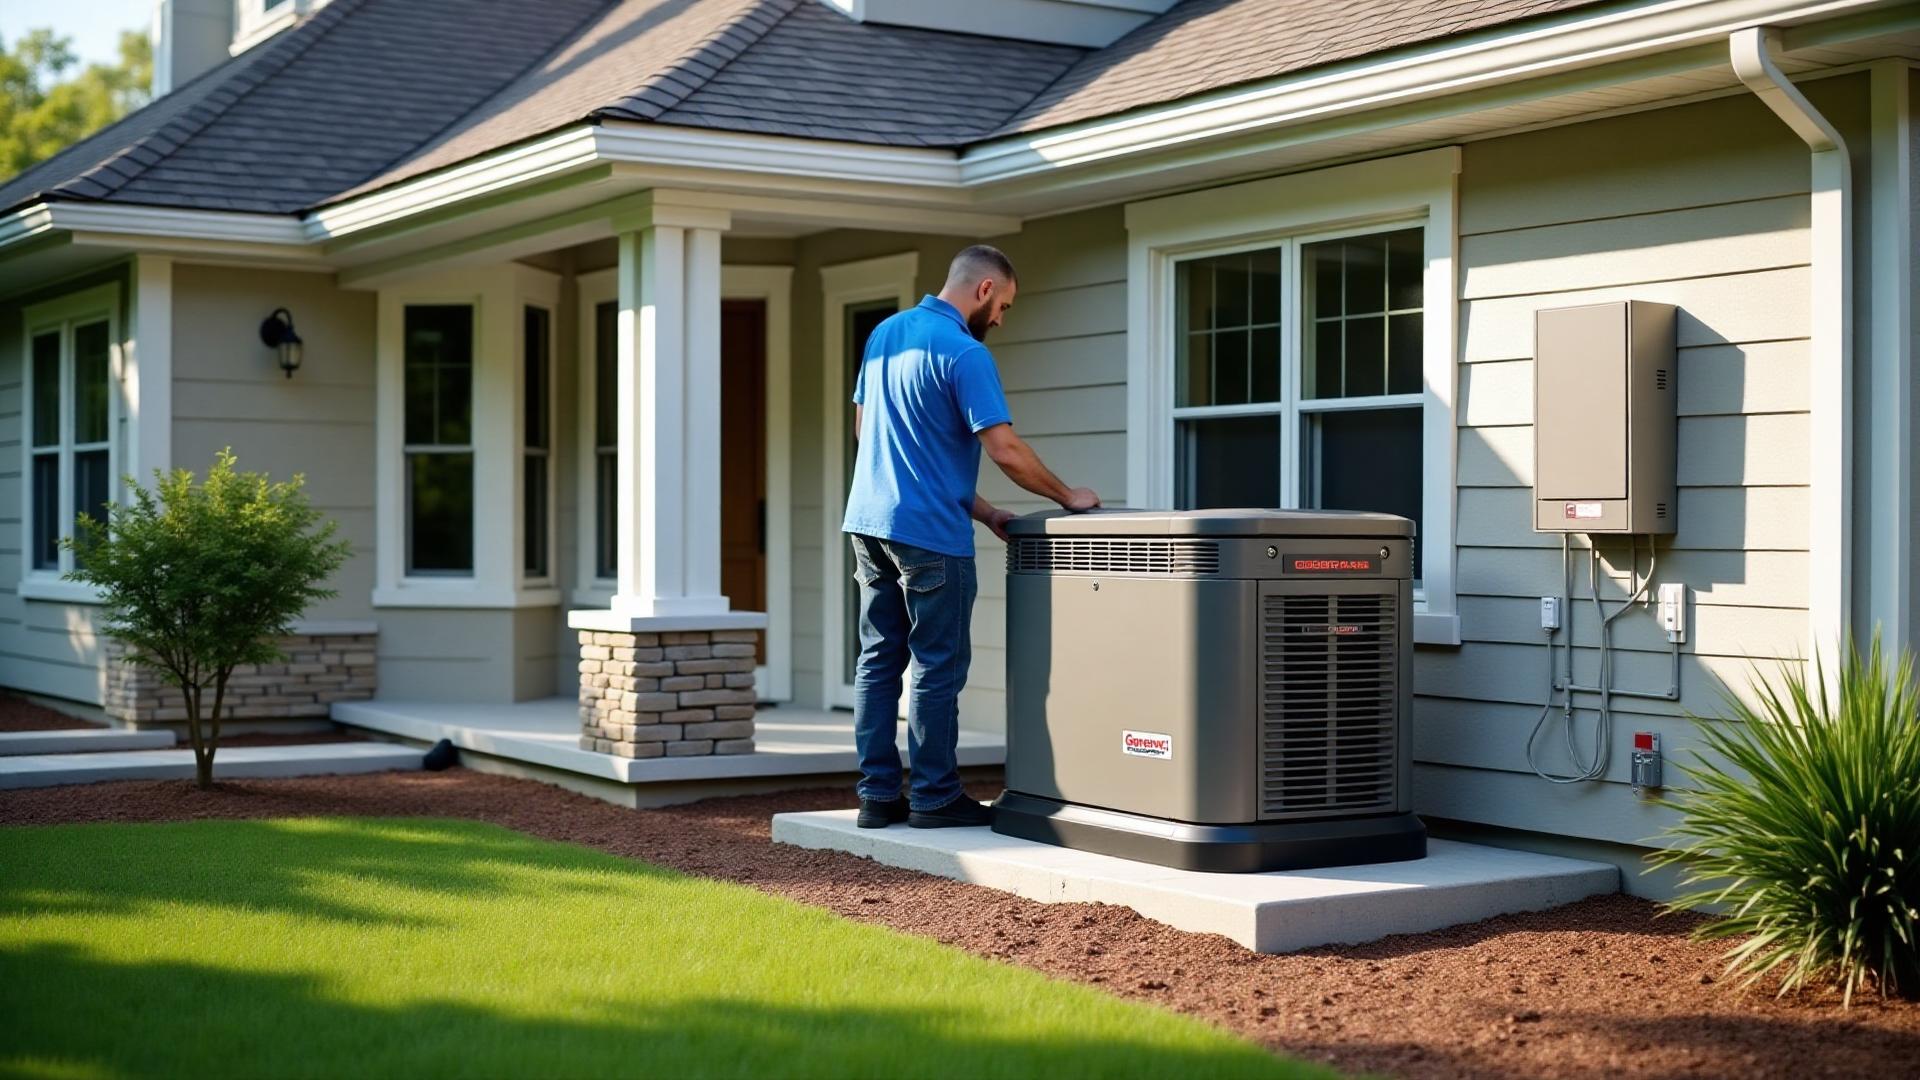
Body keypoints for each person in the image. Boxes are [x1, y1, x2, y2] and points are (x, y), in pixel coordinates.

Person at [842, 244, 1101, 829]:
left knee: (879, 660)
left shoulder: (886, 334)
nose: (1002, 319)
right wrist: (1068, 497)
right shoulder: (964, 353)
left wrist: (984, 512)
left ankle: (878, 797)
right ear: (984, 290)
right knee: (937, 666)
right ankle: (934, 797)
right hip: (930, 535)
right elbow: (1004, 448)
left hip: (868, 523)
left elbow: (869, 434)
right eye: (1004, 305)